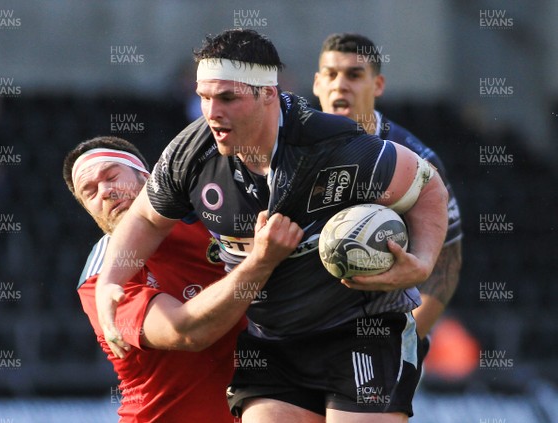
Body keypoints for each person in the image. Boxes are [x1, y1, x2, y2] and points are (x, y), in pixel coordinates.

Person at [96, 29, 448, 423]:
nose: (212, 112)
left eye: (228, 98)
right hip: (274, 342)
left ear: (268, 95)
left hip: (361, 332)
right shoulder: (192, 151)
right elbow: (146, 216)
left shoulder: (333, 146)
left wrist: (424, 260)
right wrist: (111, 279)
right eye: (204, 97)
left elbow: (426, 183)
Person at [63, 136, 303, 422]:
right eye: (89, 192)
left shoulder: (214, 217)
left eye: (112, 176)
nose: (105, 192)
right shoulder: (103, 277)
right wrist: (261, 262)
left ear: (148, 176)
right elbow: (188, 332)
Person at [312, 33, 463, 341]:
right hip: (300, 331)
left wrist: (405, 343)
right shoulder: (291, 150)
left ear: (378, 85)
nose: (340, 85)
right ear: (317, 84)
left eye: (354, 75)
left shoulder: (418, 162)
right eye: (330, 75)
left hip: (377, 334)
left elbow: (447, 265)